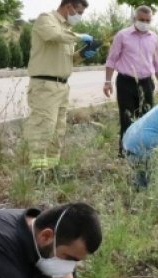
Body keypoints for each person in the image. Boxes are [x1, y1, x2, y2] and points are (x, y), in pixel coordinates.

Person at [24, 0, 98, 172]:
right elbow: (53, 36)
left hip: (62, 87)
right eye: (79, 12)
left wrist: (82, 55)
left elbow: (68, 59)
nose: (79, 16)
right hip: (45, 85)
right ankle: (37, 172)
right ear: (68, 6)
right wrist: (79, 37)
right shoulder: (46, 19)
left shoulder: (67, 31)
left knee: (58, 131)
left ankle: (51, 169)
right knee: (43, 129)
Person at [103, 5, 158, 158]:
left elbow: (157, 63)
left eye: (147, 20)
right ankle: (124, 154)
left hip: (146, 83)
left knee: (147, 119)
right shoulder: (122, 35)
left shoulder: (154, 38)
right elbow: (112, 59)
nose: (144, 22)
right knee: (127, 119)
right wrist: (107, 81)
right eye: (141, 20)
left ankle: (145, 152)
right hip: (126, 82)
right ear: (134, 19)